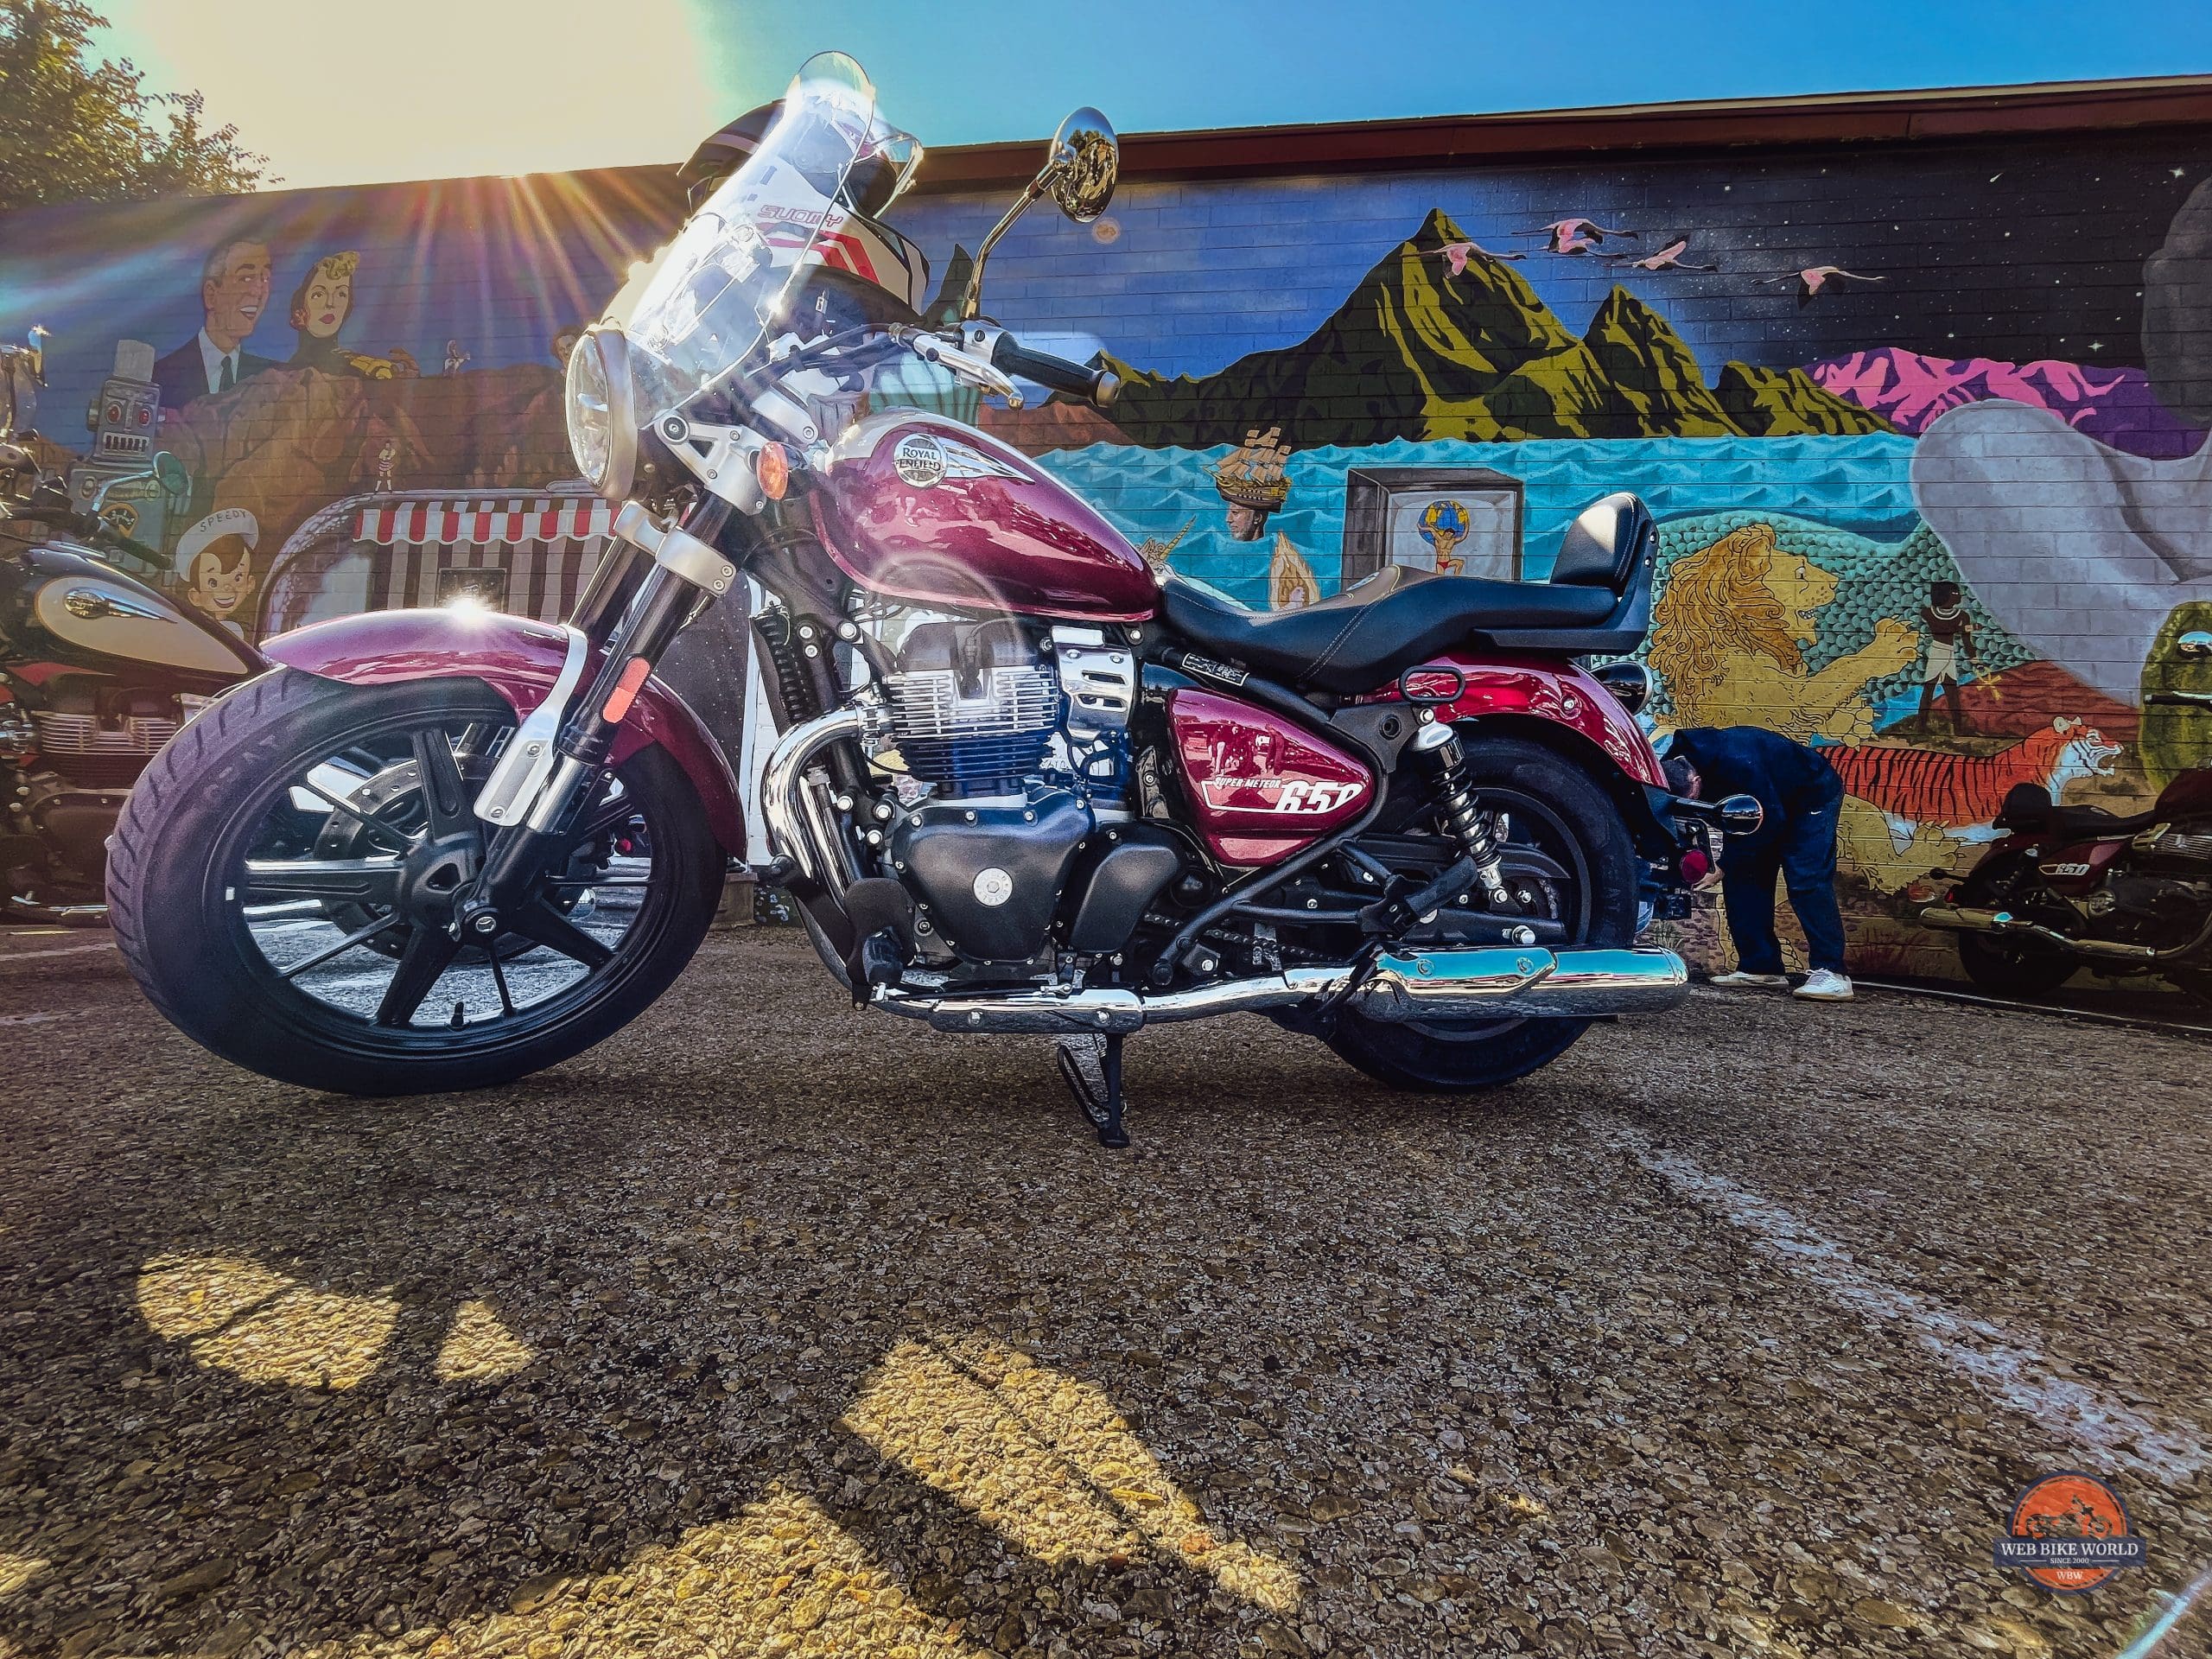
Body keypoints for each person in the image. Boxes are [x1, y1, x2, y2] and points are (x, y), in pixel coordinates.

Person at [1662, 724, 1854, 1001]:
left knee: (1806, 878)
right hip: (1762, 800)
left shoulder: (1740, 765)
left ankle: (1832, 972)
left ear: (1697, 779)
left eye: (1696, 797)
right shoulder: (1671, 764)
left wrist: (1722, 865)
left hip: (1809, 794)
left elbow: (1767, 821)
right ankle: (1760, 966)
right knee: (1744, 878)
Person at [152, 237, 275, 409]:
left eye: (265, 278)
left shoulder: (272, 380)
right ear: (211, 295)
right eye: (246, 278)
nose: (259, 291)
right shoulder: (160, 378)